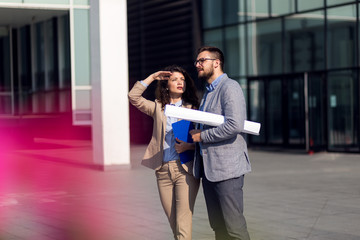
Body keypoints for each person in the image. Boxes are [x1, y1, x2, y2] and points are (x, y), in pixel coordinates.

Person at [128, 65, 200, 240]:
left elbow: (202, 138)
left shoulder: (193, 109)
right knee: (173, 222)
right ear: (167, 84)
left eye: (182, 79)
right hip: (163, 171)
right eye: (175, 79)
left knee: (183, 221)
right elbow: (133, 97)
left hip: (185, 170)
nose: (179, 82)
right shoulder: (159, 108)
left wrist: (189, 146)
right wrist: (152, 77)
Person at [190, 46, 251, 240]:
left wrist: (202, 137)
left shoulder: (229, 87)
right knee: (219, 228)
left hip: (227, 170)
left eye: (202, 61)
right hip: (209, 170)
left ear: (216, 63)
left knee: (234, 228)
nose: (197, 65)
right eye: (197, 61)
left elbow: (234, 125)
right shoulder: (208, 92)